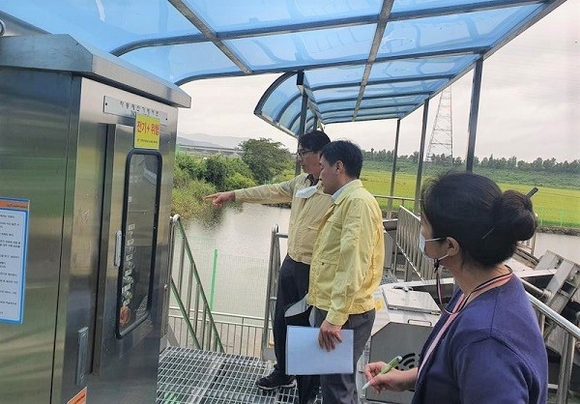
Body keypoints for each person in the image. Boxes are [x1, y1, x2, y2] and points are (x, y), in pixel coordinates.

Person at [364, 171, 548, 404]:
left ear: (450, 246)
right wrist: (408, 378)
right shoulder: (479, 288)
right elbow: (460, 371)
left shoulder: (487, 340)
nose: (421, 232)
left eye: (424, 224)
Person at [203, 130, 332, 391]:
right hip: (292, 262)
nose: (299, 158)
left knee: (308, 326)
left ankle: (311, 386)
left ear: (321, 155)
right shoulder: (301, 182)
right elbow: (271, 191)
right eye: (298, 152)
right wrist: (233, 194)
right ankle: (284, 372)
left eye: (303, 153)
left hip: (316, 269)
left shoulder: (334, 190)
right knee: (282, 320)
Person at [307, 140, 385, 404]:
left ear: (338, 167)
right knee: (335, 383)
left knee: (336, 387)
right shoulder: (346, 201)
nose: (320, 174)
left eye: (323, 167)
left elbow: (353, 264)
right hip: (337, 310)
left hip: (345, 314)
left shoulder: (357, 203)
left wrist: (335, 317)